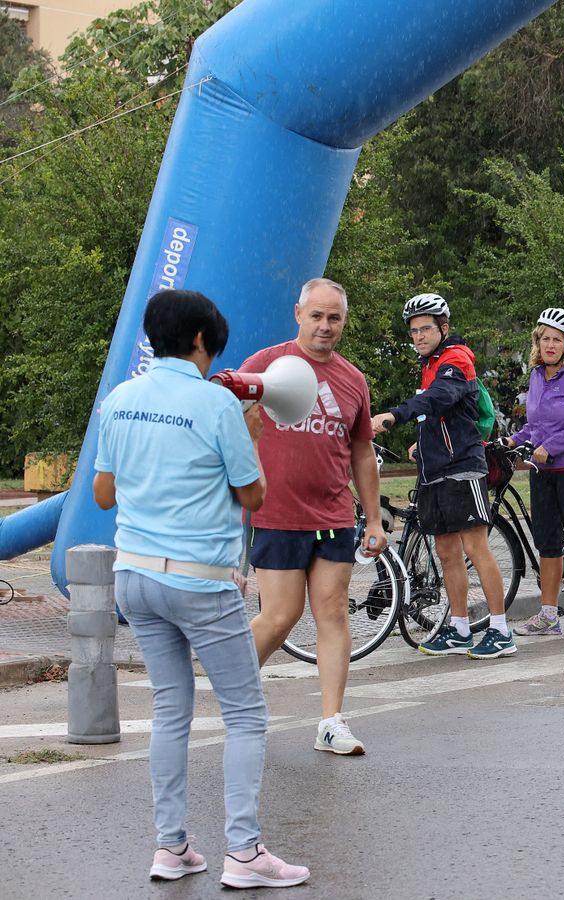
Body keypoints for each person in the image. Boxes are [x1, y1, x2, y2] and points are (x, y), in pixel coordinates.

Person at [93, 289, 309, 888]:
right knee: (244, 714)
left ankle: (171, 847)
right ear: (198, 340)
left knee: (170, 709)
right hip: (200, 580)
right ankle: (244, 852)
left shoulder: (121, 398)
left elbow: (104, 495)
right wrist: (253, 435)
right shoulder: (216, 405)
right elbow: (253, 494)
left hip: (133, 576)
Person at [243, 278, 385, 757]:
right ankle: (234, 688)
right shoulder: (266, 364)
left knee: (333, 611)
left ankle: (331, 721)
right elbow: (225, 415)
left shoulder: (353, 379)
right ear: (298, 314)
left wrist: (373, 520)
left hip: (333, 514)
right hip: (277, 513)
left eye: (334, 318)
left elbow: (362, 452)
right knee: (280, 616)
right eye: (317, 315)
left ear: (344, 321)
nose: (325, 326)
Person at [371, 292, 512, 659]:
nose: (418, 336)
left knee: (475, 547)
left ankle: (501, 630)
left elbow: (438, 399)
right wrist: (422, 442)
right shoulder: (430, 363)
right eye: (414, 331)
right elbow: (441, 415)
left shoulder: (456, 358)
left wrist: (393, 415)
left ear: (443, 328)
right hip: (434, 470)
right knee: (446, 551)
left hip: (462, 467)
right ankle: (460, 630)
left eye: (426, 329)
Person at [506, 308, 564, 638]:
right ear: (537, 341)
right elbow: (536, 424)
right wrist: (513, 439)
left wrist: (552, 446)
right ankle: (548, 615)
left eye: (556, 340)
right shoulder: (537, 375)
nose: (550, 345)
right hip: (542, 469)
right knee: (548, 542)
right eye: (545, 338)